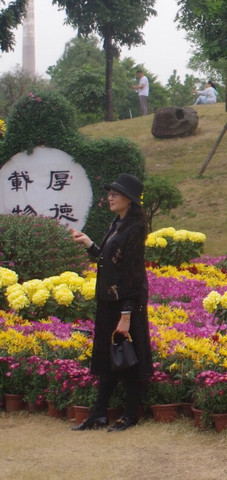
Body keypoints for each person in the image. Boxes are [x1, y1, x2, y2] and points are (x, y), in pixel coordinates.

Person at [70, 174, 152, 432]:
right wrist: (89, 243)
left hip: (125, 304)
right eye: (110, 193)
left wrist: (126, 315)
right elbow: (109, 260)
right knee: (108, 357)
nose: (110, 197)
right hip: (108, 301)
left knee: (127, 358)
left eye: (116, 193)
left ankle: (130, 414)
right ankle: (98, 413)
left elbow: (133, 273)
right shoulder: (118, 223)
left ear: (129, 199)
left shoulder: (135, 228)